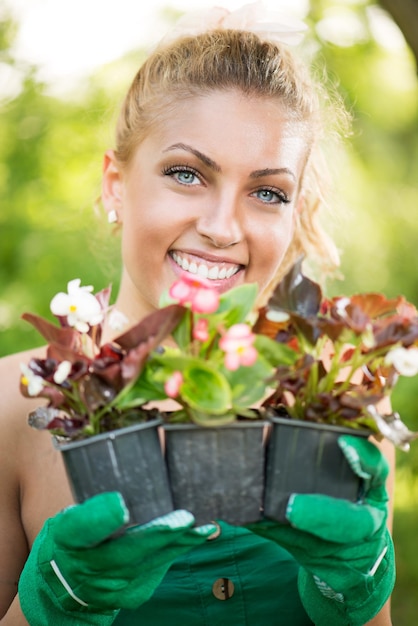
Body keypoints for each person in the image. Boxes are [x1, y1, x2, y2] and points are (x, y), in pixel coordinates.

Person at [0, 3, 395, 625]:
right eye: (186, 174)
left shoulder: (339, 410)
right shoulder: (12, 407)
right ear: (114, 185)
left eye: (267, 192)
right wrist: (60, 601)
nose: (220, 227)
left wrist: (357, 590)